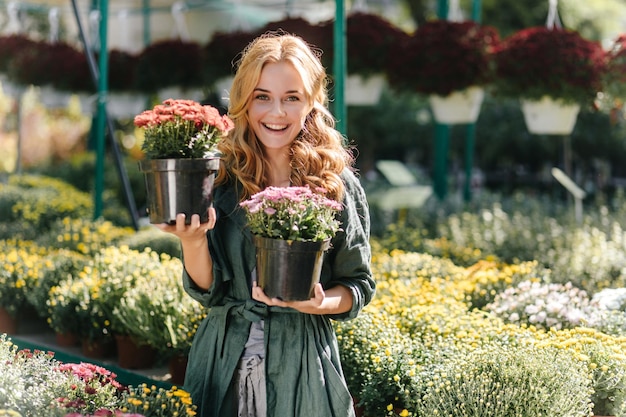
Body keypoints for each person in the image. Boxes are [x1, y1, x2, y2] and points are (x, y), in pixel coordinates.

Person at [157, 32, 375, 417]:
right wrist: (192, 242)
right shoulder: (219, 178)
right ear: (244, 101)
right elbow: (210, 292)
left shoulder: (335, 183)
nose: (277, 113)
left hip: (301, 361)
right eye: (262, 97)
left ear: (311, 103)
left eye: (292, 98)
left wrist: (320, 303)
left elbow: (357, 284)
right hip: (223, 357)